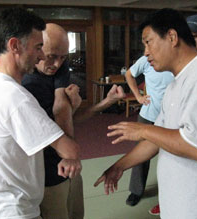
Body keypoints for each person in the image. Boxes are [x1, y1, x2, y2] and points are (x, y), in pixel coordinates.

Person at [94, 8, 197, 219]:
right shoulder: (177, 83)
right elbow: (159, 136)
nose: (145, 52)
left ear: (172, 37)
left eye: (148, 42)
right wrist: (120, 166)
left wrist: (143, 130)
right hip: (183, 202)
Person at [0, 8, 82, 219]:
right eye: (38, 47)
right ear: (15, 45)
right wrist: (70, 155)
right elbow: (70, 149)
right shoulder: (15, 98)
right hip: (11, 212)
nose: (41, 55)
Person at [22, 23, 125, 219]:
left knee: (77, 215)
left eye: (63, 57)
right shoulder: (28, 85)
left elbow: (64, 113)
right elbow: (57, 115)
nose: (58, 63)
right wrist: (67, 155)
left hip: (70, 164)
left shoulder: (58, 68)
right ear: (37, 47)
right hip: (48, 174)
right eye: (52, 56)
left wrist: (106, 102)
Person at [124, 56, 173, 214]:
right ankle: (136, 191)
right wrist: (138, 96)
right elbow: (129, 74)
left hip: (171, 118)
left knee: (171, 158)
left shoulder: (177, 59)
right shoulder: (146, 59)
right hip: (148, 116)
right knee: (140, 155)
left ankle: (169, 194)